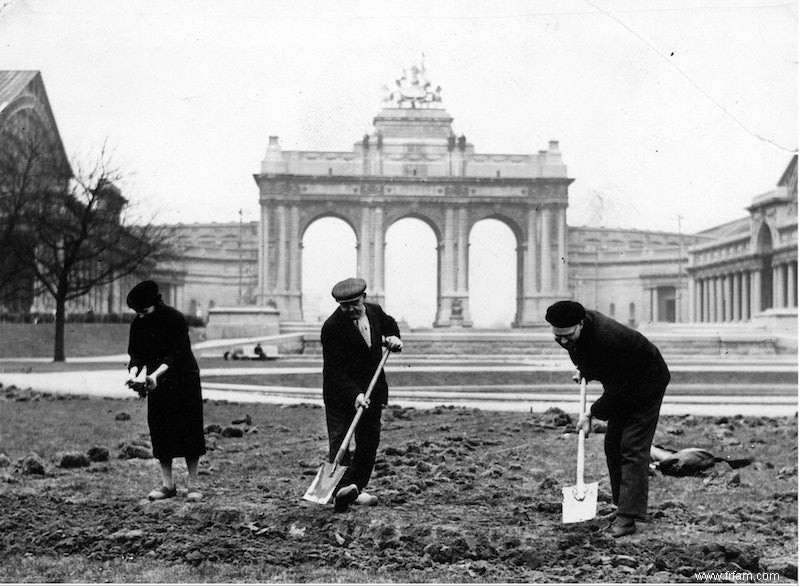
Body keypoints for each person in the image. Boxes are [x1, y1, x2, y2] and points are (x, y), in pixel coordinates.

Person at [545, 300, 670, 538]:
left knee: (631, 447)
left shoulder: (607, 338)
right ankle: (621, 506)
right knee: (612, 444)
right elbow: (593, 358)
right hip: (624, 380)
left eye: (568, 336)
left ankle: (628, 518)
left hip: (647, 381)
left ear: (581, 324)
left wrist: (591, 413)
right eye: (558, 336)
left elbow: (621, 388)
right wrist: (586, 370)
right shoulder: (575, 332)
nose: (563, 341)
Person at [321, 277, 403, 512]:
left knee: (369, 443)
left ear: (364, 299)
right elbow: (335, 371)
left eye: (354, 304)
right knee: (340, 444)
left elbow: (390, 325)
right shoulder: (332, 327)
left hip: (372, 391)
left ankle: (355, 487)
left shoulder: (375, 312)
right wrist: (355, 395)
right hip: (341, 395)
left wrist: (394, 338)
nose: (350, 309)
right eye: (344, 305)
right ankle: (339, 490)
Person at [125, 280, 206, 502]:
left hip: (183, 379)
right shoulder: (138, 324)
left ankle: (193, 485)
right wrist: (134, 376)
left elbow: (176, 353)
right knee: (160, 429)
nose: (141, 316)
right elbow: (136, 356)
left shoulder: (175, 319)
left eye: (144, 311)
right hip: (158, 382)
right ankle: (167, 485)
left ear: (155, 303)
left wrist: (154, 375)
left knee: (189, 429)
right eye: (137, 312)